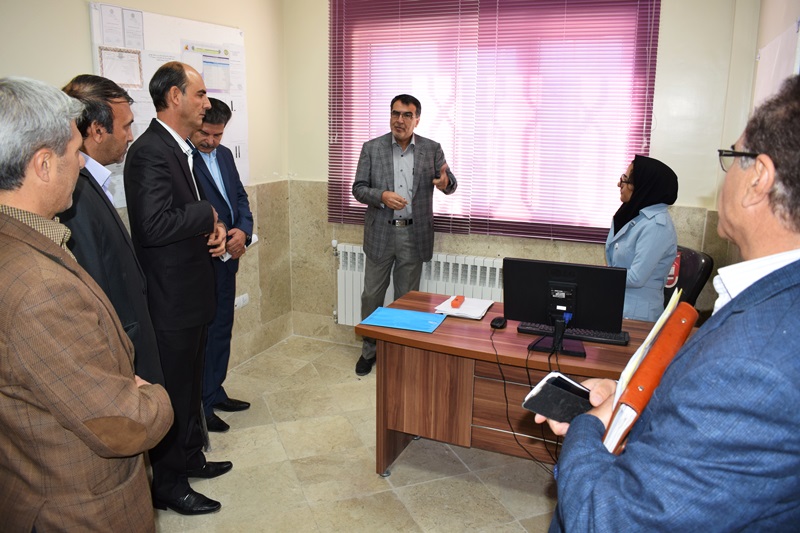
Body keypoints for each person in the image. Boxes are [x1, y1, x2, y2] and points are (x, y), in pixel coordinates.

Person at [537, 75, 800, 531]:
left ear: (759, 177)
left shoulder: (753, 365)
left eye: (732, 157)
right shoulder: (771, 302)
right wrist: (626, 402)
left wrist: (588, 426)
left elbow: (609, 519)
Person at [0, 76, 173, 532]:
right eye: (76, 152)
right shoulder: (39, 289)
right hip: (78, 507)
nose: (81, 163)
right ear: (43, 164)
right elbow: (124, 423)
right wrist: (152, 396)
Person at [124, 61, 232, 515]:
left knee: (189, 390)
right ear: (175, 97)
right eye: (200, 94)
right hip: (171, 300)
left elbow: (181, 217)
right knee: (172, 392)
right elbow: (151, 226)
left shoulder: (178, 147)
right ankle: (169, 484)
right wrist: (206, 213)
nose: (206, 103)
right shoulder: (150, 151)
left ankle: (190, 457)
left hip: (193, 294)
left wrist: (213, 227)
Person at [58, 74, 164, 386]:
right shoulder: (74, 194)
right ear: (97, 130)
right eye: (126, 126)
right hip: (120, 354)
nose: (131, 136)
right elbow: (95, 285)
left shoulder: (92, 182)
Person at [352, 94, 457, 376]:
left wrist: (445, 183)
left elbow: (450, 184)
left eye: (407, 115)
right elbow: (358, 188)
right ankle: (369, 351)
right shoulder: (372, 148)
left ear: (417, 119)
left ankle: (399, 353)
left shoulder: (431, 149)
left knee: (406, 300)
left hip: (413, 234)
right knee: (371, 296)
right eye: (395, 113)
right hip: (381, 234)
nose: (399, 120)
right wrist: (381, 196)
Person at [190, 97, 254, 433]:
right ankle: (201, 404)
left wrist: (243, 231)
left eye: (218, 135)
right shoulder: (183, 160)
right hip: (203, 261)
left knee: (221, 330)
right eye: (205, 133)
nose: (211, 141)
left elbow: (239, 197)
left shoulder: (225, 155)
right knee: (203, 335)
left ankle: (215, 391)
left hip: (229, 258)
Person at [606, 155, 678, 322]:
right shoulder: (632, 216)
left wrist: (600, 276)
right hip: (619, 305)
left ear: (644, 185)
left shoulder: (657, 226)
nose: (619, 184)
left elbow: (636, 278)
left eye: (625, 179)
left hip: (638, 316)